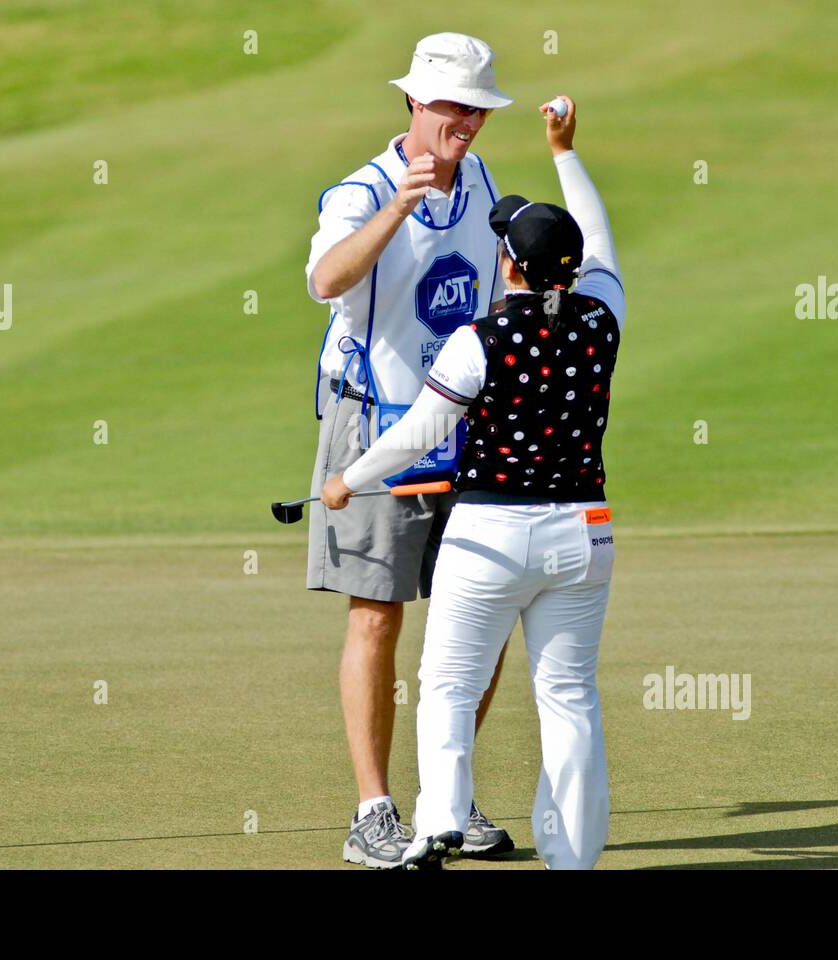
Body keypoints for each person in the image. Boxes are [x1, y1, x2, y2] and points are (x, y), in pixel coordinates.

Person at [322, 94, 625, 870]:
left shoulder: (479, 340)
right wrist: (565, 151)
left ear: (511, 265)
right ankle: (575, 858)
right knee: (570, 701)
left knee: (446, 687)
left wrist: (346, 480)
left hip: (488, 533)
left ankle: (436, 826)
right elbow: (599, 236)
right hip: (585, 537)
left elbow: (419, 432)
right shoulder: (603, 314)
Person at [304, 32, 517, 868]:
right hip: (375, 423)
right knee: (378, 613)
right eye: (452, 105)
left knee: (484, 613)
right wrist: (399, 205)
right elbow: (326, 280)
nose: (466, 120)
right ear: (414, 103)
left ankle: (446, 800)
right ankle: (373, 811)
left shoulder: (483, 180)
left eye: (477, 108)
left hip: (465, 422)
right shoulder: (362, 190)